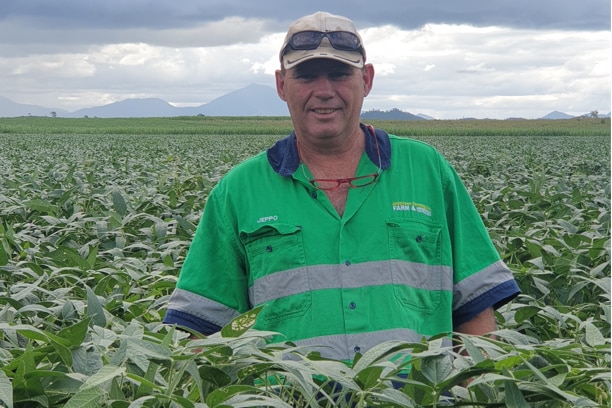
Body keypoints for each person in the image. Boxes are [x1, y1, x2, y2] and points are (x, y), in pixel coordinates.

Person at [163, 11, 520, 362]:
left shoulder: (427, 170)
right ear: (281, 85)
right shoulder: (238, 191)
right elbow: (203, 335)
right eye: (305, 75)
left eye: (339, 74)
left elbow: (475, 309)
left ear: (366, 80)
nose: (324, 91)